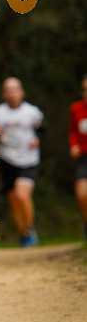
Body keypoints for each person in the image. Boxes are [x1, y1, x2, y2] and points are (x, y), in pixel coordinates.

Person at [0, 77, 45, 246]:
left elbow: (42, 128)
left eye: (14, 89)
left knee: (22, 195)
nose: (11, 92)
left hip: (28, 159)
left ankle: (29, 229)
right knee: (14, 200)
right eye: (8, 89)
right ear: (4, 93)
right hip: (7, 159)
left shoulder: (32, 112)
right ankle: (24, 235)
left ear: (21, 92)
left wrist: (36, 139)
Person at [69, 74, 87, 240]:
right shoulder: (76, 109)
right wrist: (73, 145)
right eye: (84, 89)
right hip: (84, 157)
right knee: (82, 193)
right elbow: (74, 131)